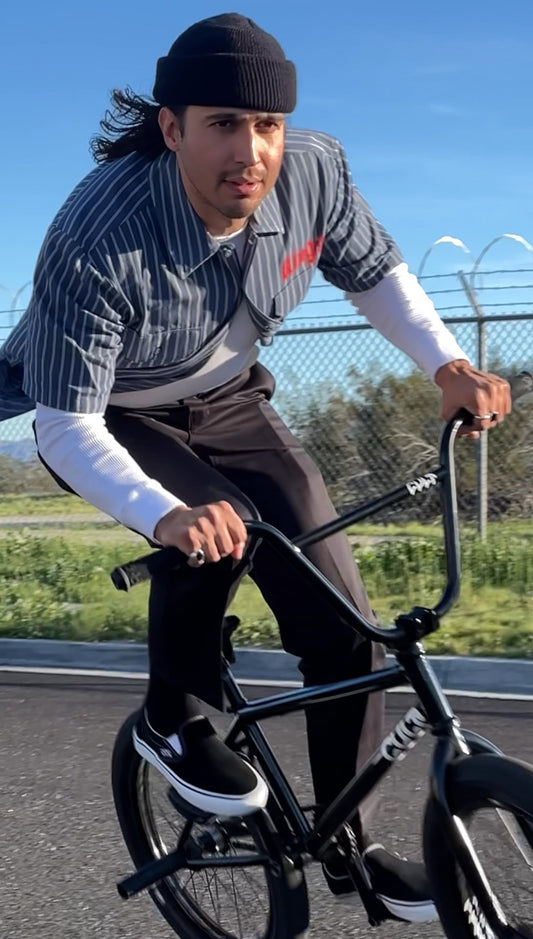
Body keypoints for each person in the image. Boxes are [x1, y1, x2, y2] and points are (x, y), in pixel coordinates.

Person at [0, 12, 510, 923]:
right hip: (111, 408)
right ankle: (172, 719)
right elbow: (66, 426)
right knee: (215, 529)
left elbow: (373, 272)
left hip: (231, 396)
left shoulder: (313, 170)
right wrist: (165, 515)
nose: (251, 150)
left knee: (342, 619)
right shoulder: (97, 233)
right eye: (223, 124)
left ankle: (353, 846)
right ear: (172, 128)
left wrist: (446, 365)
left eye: (266, 124)